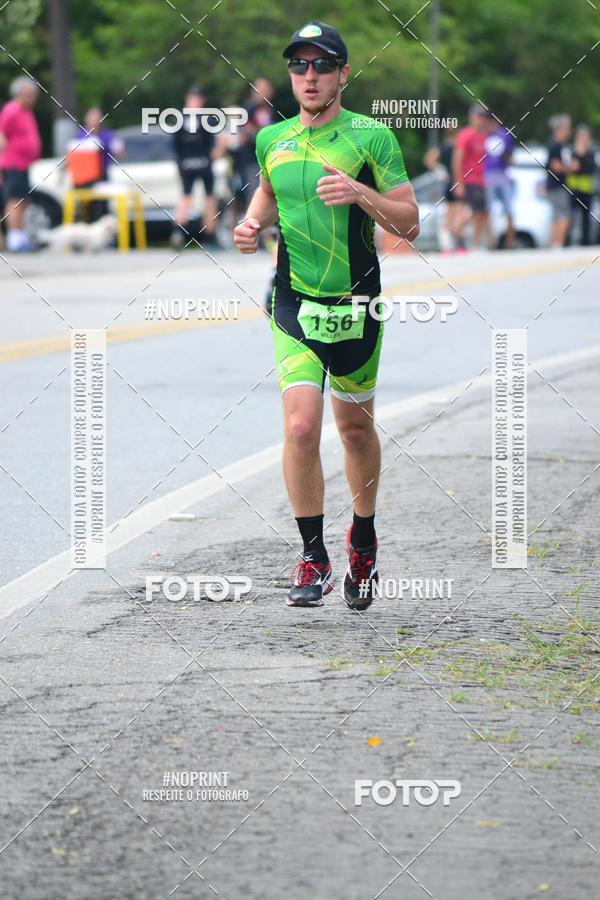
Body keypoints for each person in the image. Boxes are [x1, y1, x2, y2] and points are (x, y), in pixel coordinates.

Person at [233, 21, 419, 610]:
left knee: (356, 429)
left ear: (343, 74)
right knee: (300, 426)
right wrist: (252, 221)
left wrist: (360, 194)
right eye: (298, 66)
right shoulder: (274, 138)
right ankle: (312, 554)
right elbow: (269, 186)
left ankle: (362, 536)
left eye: (321, 66)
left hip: (357, 303)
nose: (308, 77)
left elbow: (409, 222)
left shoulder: (371, 137)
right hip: (293, 300)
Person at [171, 86, 227, 249]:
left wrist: (216, 154)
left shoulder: (181, 118)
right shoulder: (205, 118)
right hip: (200, 163)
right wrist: (215, 154)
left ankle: (202, 234)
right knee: (192, 198)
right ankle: (190, 234)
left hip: (193, 163)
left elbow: (176, 147)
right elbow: (220, 140)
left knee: (205, 199)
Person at [0, 76, 41, 252]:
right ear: (18, 94)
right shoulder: (12, 110)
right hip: (13, 163)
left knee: (23, 201)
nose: (32, 98)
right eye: (28, 94)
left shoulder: (26, 111)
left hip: (24, 164)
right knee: (15, 200)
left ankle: (21, 236)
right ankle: (15, 239)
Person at [73, 106, 125, 221]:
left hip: (101, 176)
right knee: (85, 211)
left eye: (97, 118)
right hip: (83, 179)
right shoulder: (79, 136)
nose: (95, 120)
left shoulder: (108, 135)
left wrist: (118, 149)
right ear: (86, 119)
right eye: (92, 117)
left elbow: (120, 152)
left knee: (101, 209)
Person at [452, 104, 491, 250]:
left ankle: (475, 243)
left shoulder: (483, 137)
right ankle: (455, 231)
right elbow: (457, 159)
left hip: (482, 180)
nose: (481, 120)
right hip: (469, 179)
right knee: (474, 212)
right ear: (472, 117)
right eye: (478, 116)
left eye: (483, 117)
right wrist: (459, 183)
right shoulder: (465, 134)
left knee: (481, 213)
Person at [484, 117, 516, 249]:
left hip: (501, 173)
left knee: (509, 209)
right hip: (489, 174)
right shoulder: (484, 135)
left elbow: (510, 155)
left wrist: (506, 158)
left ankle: (510, 241)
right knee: (488, 209)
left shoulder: (504, 134)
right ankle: (491, 241)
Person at [546, 114, 576, 249]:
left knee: (556, 216)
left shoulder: (560, 146)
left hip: (556, 186)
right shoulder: (555, 146)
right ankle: (557, 244)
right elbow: (555, 166)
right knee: (564, 215)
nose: (569, 132)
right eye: (567, 128)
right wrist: (571, 167)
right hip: (557, 186)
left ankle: (554, 245)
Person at [566, 125, 596, 246]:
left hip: (586, 189)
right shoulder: (572, 151)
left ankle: (585, 242)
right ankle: (566, 241)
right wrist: (578, 155)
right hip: (574, 189)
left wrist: (581, 158)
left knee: (586, 217)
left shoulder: (591, 152)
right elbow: (573, 168)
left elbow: (589, 168)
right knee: (571, 216)